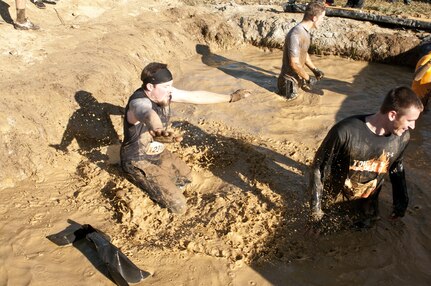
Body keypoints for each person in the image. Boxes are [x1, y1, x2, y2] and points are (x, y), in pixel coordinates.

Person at [121, 62, 250, 214]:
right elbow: (147, 114)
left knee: (190, 180)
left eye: (171, 85)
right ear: (150, 87)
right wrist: (158, 130)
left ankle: (167, 184)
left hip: (158, 153)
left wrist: (232, 97)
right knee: (179, 206)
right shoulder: (138, 102)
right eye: (166, 86)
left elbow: (196, 96)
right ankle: (140, 181)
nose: (170, 91)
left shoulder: (164, 94)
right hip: (137, 160)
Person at [309, 86, 423, 226]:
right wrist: (315, 212)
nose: (413, 126)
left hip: (367, 209)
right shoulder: (345, 132)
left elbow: (396, 167)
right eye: (410, 120)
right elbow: (319, 168)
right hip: (334, 203)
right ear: (392, 115)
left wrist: (401, 204)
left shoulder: (402, 137)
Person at [277, 1, 326, 100]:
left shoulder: (305, 32)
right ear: (314, 18)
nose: (323, 21)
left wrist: (315, 70)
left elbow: (303, 53)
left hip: (297, 78)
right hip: (288, 84)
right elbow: (294, 63)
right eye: (322, 18)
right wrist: (308, 78)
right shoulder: (296, 35)